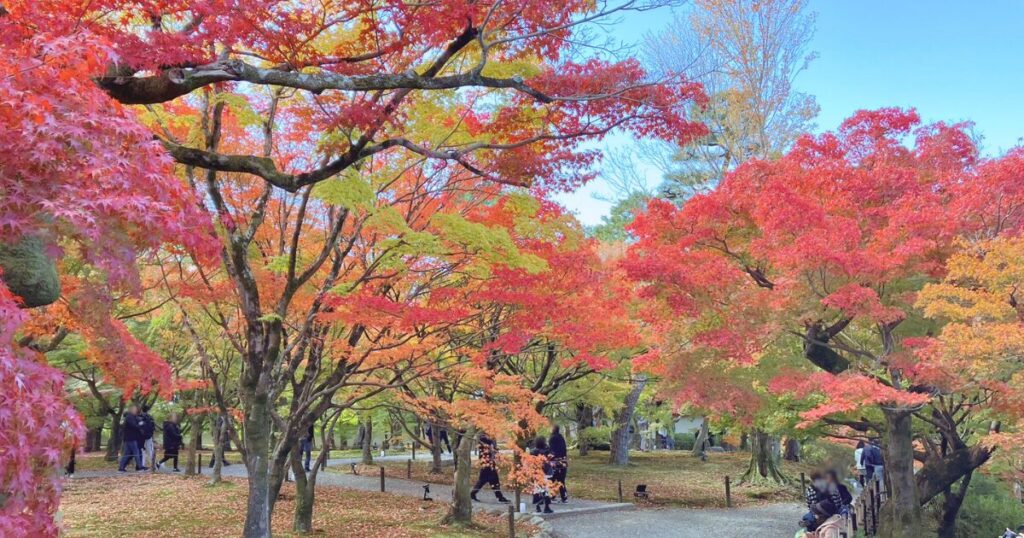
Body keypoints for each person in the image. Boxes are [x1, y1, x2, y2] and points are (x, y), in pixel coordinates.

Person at [470, 433, 510, 503]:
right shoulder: (483, 437)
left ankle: (500, 497)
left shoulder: (489, 438)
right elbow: (484, 441)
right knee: (483, 481)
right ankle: (472, 494)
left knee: (494, 480)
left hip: (490, 462)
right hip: (485, 463)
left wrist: (495, 450)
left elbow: (492, 447)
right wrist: (491, 442)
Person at [118, 405, 145, 472]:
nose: (136, 410)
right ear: (131, 410)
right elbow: (133, 426)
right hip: (131, 438)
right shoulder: (129, 417)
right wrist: (140, 424)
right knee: (136, 452)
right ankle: (140, 467)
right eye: (134, 409)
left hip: (129, 438)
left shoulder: (132, 417)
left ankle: (121, 468)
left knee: (127, 453)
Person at [530, 437, 554, 514]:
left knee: (537, 489)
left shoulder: (533, 451)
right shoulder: (547, 451)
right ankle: (546, 507)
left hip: (537, 472)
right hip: (546, 472)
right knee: (546, 489)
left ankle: (538, 506)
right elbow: (552, 456)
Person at [548, 425, 568, 503]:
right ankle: (564, 496)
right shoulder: (561, 437)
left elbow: (552, 450)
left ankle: (552, 496)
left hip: (555, 461)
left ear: (553, 429)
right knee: (561, 480)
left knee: (552, 479)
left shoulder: (552, 438)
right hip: (563, 461)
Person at [139, 404, 156, 469]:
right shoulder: (150, 417)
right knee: (150, 451)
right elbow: (153, 428)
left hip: (141, 437)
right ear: (148, 410)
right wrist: (153, 437)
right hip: (148, 436)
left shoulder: (139, 416)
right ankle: (154, 465)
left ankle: (142, 465)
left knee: (143, 451)